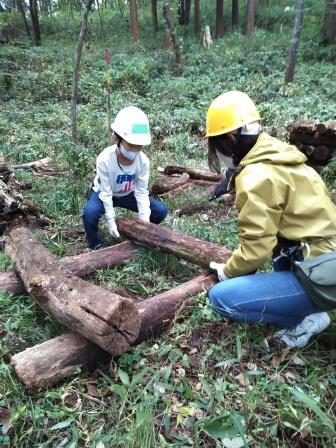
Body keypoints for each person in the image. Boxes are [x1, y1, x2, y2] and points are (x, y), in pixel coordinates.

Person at [206, 91, 336, 348]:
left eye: (217, 144)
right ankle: (309, 303)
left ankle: (306, 319)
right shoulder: (282, 156)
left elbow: (257, 248)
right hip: (323, 257)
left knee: (221, 298)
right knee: (281, 251)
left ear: (231, 138)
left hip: (323, 273)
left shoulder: (256, 175)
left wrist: (227, 271)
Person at [83, 106, 168, 250]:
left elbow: (141, 192)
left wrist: (144, 223)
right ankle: (95, 244)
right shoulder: (105, 159)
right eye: (131, 145)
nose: (135, 149)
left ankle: (137, 235)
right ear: (117, 138)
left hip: (128, 194)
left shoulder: (143, 161)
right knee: (89, 214)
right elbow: (106, 192)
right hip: (103, 193)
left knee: (160, 211)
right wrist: (110, 220)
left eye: (139, 146)